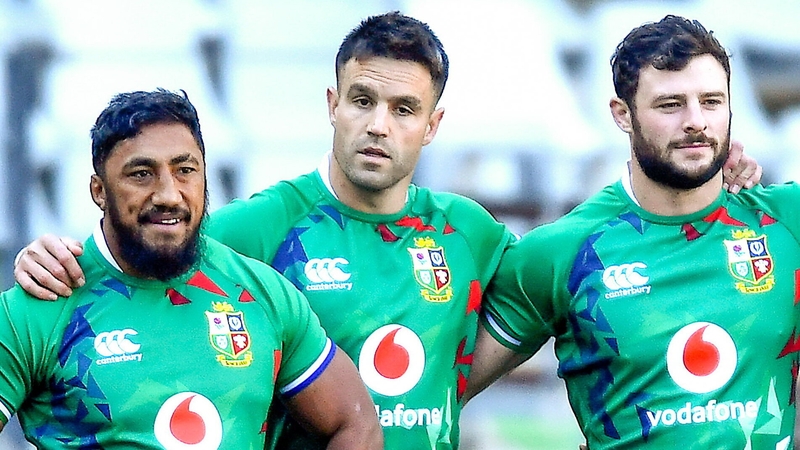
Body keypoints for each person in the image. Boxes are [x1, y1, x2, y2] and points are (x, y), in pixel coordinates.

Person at [11, 11, 763, 450]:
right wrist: (59, 253)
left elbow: (586, 270)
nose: (378, 125)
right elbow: (149, 245)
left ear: (433, 126)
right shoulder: (260, 228)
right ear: (332, 102)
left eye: (403, 110)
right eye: (362, 100)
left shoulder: (469, 235)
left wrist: (712, 165)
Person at [465, 15, 800, 449]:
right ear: (622, 115)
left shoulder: (786, 219)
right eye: (670, 105)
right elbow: (431, 395)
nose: (696, 121)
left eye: (712, 102)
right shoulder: (563, 251)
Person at [0, 89, 382, 449]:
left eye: (185, 170)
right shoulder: (43, 302)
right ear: (99, 191)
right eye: (141, 174)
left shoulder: (263, 293)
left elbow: (354, 422)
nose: (168, 194)